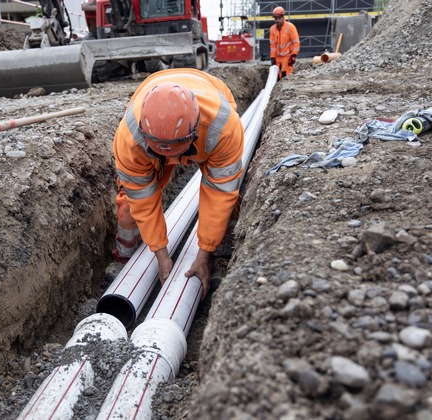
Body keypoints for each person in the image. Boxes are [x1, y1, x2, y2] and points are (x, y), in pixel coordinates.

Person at [112, 68, 244, 299]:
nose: (170, 155)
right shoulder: (129, 139)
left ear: (194, 132)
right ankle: (126, 257)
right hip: (155, 123)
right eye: (161, 148)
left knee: (227, 201)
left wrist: (203, 254)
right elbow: (142, 200)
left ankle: (221, 254)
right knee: (129, 204)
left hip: (209, 104)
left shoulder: (222, 129)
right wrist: (161, 254)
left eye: (175, 149)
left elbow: (220, 192)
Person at [269, 6, 300, 80]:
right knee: (276, 77)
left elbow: (296, 42)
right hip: (277, 57)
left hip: (287, 56)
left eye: (279, 18)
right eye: (276, 19)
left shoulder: (290, 27)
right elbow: (273, 45)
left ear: (283, 17)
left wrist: (294, 55)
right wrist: (273, 57)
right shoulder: (272, 29)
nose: (277, 21)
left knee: (286, 75)